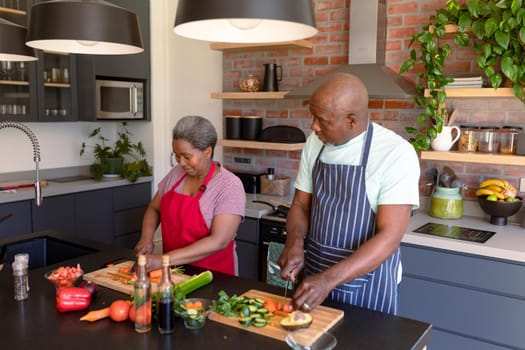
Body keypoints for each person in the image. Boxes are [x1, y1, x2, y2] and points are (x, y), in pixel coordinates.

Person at [278, 73, 420, 315]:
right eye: (313, 117)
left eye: (322, 121)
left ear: (352, 121)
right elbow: (301, 205)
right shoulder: (315, 143)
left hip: (368, 284)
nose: (313, 126)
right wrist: (295, 242)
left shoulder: (395, 153)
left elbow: (390, 236)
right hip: (314, 275)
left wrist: (329, 280)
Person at [134, 116, 246, 275]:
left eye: (187, 157)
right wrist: (146, 237)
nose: (181, 163)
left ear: (207, 151)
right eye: (177, 156)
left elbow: (219, 241)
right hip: (173, 273)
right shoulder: (176, 174)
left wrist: (163, 259)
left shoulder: (229, 186)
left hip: (214, 277)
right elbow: (154, 208)